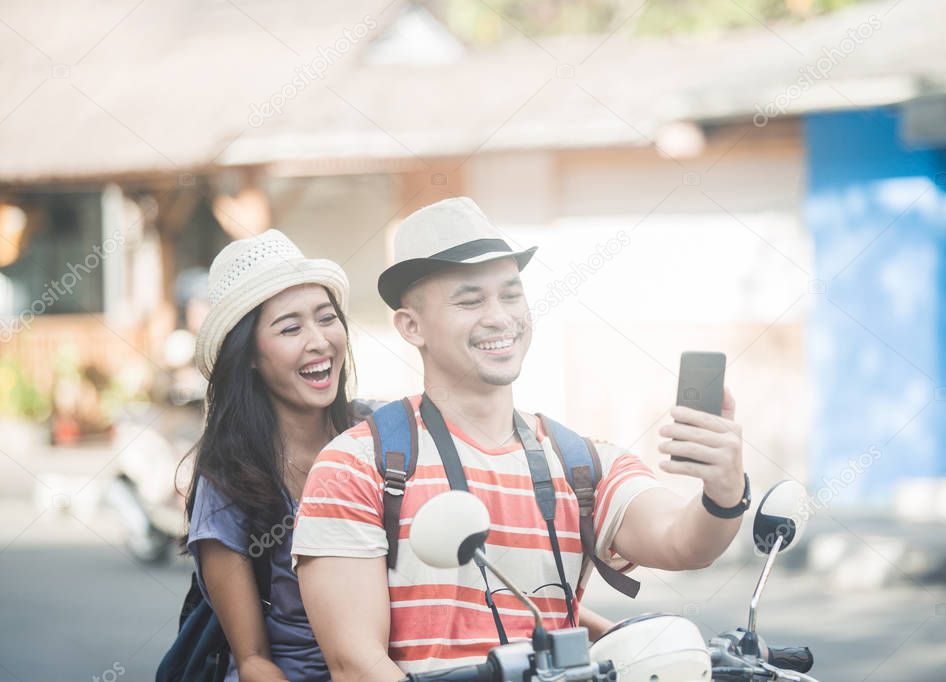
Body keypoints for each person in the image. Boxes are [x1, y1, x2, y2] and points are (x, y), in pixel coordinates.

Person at [293, 197, 750, 681]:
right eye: (470, 300)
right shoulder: (356, 465)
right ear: (412, 326)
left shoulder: (580, 462)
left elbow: (683, 543)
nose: (500, 317)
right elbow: (356, 666)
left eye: (511, 295)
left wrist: (722, 491)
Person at [184, 229, 369, 682]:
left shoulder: (380, 434)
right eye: (290, 328)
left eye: (326, 318)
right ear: (247, 354)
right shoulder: (227, 484)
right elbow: (253, 661)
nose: (319, 341)